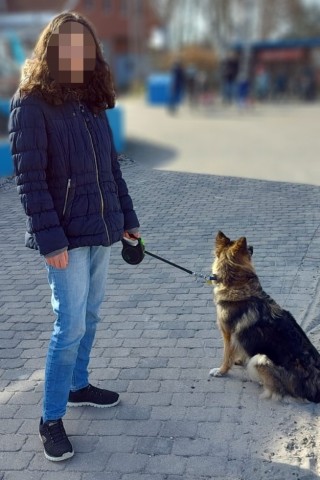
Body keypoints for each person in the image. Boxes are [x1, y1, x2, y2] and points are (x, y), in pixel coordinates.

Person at [8, 12, 140, 462]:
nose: (78, 54)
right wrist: (51, 241)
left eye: (85, 47)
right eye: (69, 47)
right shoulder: (31, 102)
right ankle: (50, 417)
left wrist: (128, 218)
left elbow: (110, 168)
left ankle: (79, 385)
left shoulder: (91, 100)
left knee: (92, 314)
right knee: (69, 326)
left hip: (100, 230)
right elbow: (30, 179)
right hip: (64, 237)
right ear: (52, 49)